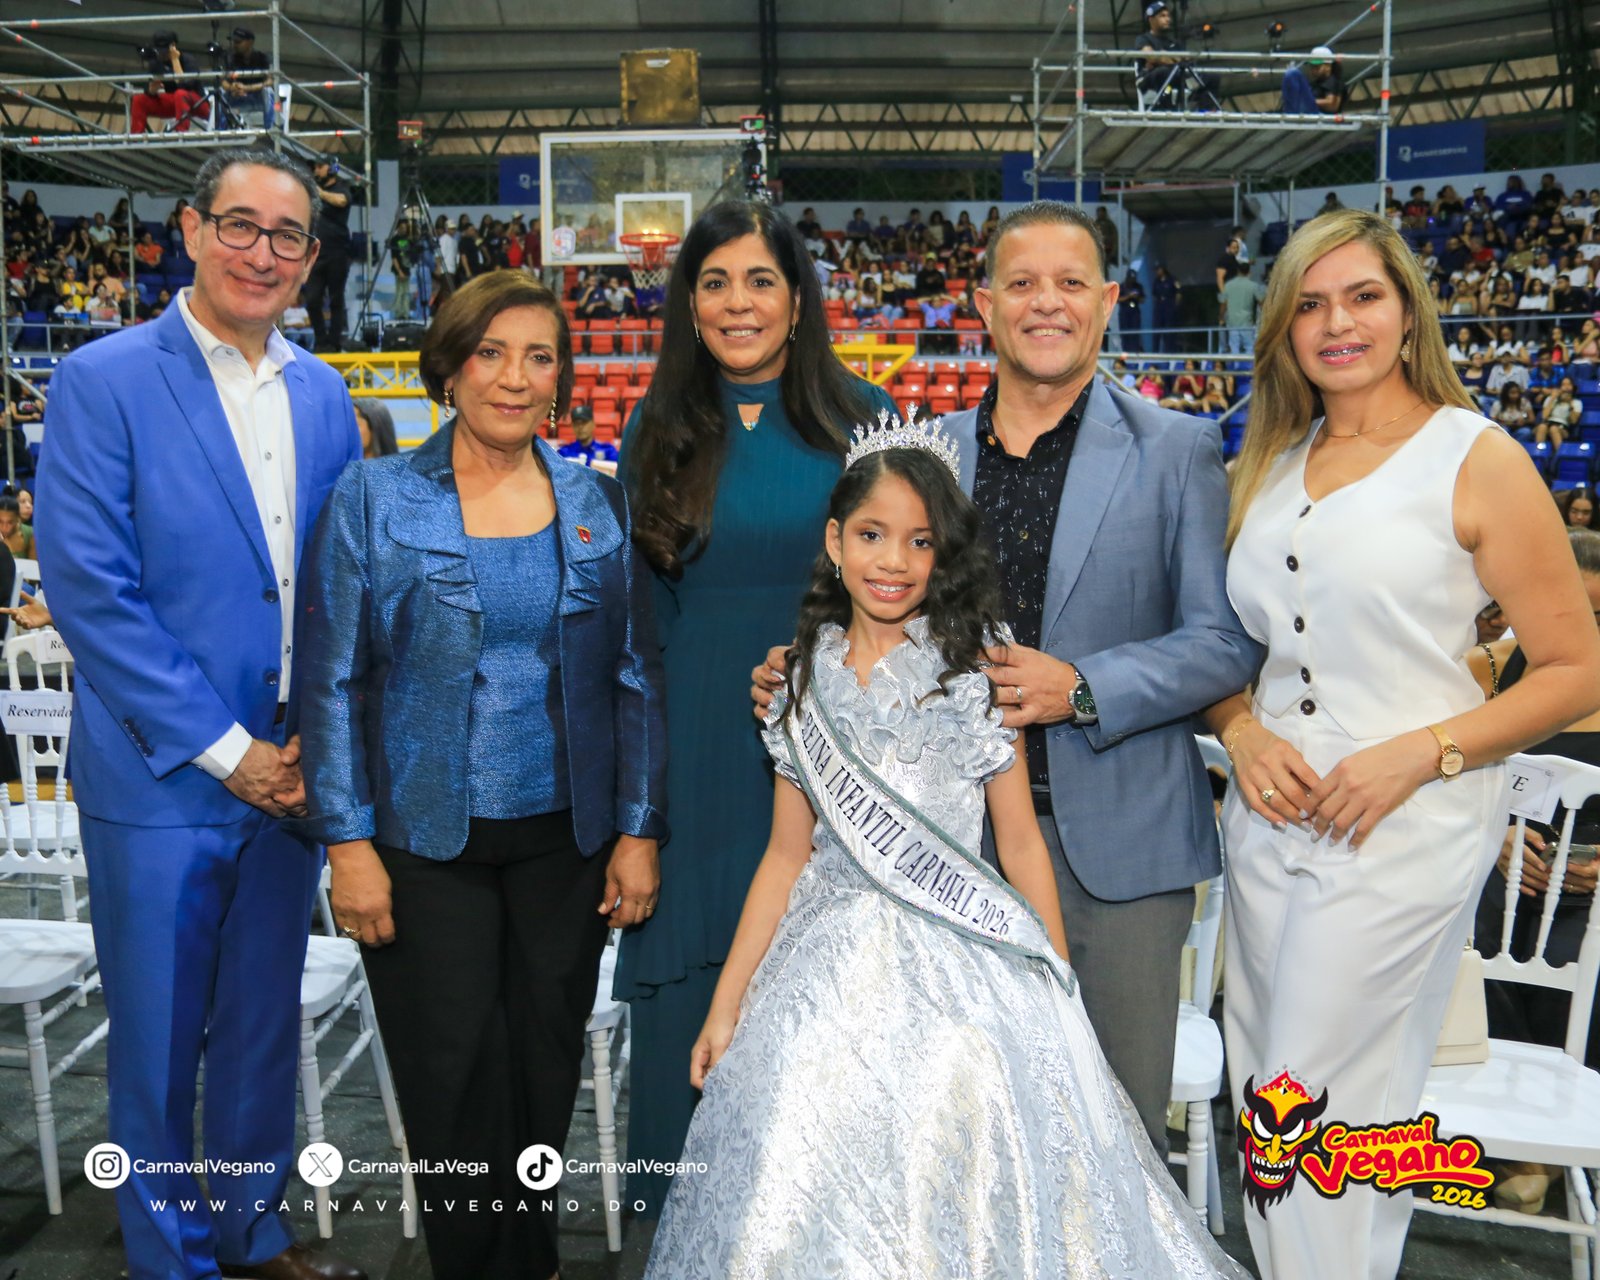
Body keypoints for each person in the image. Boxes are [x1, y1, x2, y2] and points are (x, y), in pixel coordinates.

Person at [646, 431, 1247, 1279]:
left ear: (944, 555)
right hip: (821, 965)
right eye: (872, 534)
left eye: (920, 541)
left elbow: (1020, 841)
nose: (894, 560)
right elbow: (784, 859)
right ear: (834, 541)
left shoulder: (972, 673)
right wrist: (727, 1004)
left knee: (961, 1090)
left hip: (963, 957)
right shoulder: (800, 681)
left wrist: (1057, 979)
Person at [753, 201, 1260, 1155]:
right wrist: (812, 675)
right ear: (984, 305)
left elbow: (1223, 644)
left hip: (1118, 852)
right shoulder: (925, 454)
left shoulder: (1176, 449)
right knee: (952, 1149)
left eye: (1071, 283)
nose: (1046, 303)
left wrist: (1083, 686)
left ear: (1108, 301)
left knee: (1110, 1137)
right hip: (946, 847)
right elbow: (872, 605)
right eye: (1021, 283)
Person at [1205, 207, 1600, 1280]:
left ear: (1407, 311)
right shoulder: (1266, 462)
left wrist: (1420, 752)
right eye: (1311, 305)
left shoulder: (1475, 456)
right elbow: (1225, 649)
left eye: (1363, 297)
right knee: (1272, 1100)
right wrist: (1237, 727)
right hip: (1268, 821)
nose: (1338, 323)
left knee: (1314, 1097)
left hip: (1405, 821)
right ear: (1283, 328)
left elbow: (1575, 668)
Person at [34, 149, 367, 1280]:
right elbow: (92, 593)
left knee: (262, 1026)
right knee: (159, 1043)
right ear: (189, 229)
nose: (261, 253)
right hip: (166, 776)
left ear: (310, 260)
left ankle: (248, 1232)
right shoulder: (104, 379)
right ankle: (170, 1259)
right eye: (240, 225)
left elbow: (333, 580)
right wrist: (232, 755)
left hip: (292, 772)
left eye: (287, 236)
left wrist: (316, 741)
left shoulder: (323, 395)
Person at [300, 270, 665, 1280]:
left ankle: (530, 1261)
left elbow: (634, 674)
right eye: (491, 353)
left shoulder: (596, 500)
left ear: (560, 379)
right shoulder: (371, 496)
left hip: (566, 842)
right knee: (449, 1075)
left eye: (538, 357)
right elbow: (331, 680)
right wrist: (346, 843)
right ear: (449, 369)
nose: (514, 377)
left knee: (545, 1069)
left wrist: (638, 827)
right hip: (419, 846)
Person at [616, 200, 896, 1215]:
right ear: (690, 305)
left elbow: (907, 596)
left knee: (823, 996)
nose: (739, 303)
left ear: (798, 300)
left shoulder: (864, 418)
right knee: (693, 995)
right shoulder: (655, 426)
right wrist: (638, 815)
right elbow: (639, 636)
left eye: (761, 280)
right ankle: (687, 1235)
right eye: (716, 282)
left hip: (833, 751)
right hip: (695, 756)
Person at [1466, 527, 1600, 1214]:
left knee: (1579, 950)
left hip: (1590, 883)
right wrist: (1492, 832)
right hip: (1498, 864)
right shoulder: (1487, 668)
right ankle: (1516, 1143)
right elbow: (1439, 767)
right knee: (1468, 923)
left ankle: (1541, 1140)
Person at [303, 156, 352, 352]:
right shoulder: (315, 192)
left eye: (320, 167)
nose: (316, 171)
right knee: (312, 299)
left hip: (337, 252)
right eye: (315, 167)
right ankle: (321, 340)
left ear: (331, 169)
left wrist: (320, 193)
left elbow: (342, 201)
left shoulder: (341, 188)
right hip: (316, 253)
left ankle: (334, 342)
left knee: (336, 299)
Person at [130, 31, 208, 134]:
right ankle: (136, 136)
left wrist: (175, 60)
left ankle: (180, 134)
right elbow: (147, 86)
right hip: (174, 102)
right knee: (138, 99)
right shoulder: (156, 63)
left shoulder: (187, 59)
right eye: (159, 51)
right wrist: (151, 91)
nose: (162, 54)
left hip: (197, 103)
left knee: (180, 94)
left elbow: (187, 85)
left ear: (173, 46)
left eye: (165, 51)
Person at [221, 26, 274, 126]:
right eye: (234, 42)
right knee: (221, 94)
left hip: (257, 99)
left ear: (250, 42)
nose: (235, 45)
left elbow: (270, 81)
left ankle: (271, 129)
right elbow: (224, 82)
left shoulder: (262, 58)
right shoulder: (230, 58)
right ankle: (220, 130)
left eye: (238, 42)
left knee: (268, 92)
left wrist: (247, 88)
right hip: (237, 99)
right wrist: (232, 88)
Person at [1220, 263, 1265, 354]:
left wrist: (1221, 317)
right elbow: (1262, 302)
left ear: (1238, 271)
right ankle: (1248, 363)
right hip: (1246, 322)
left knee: (1234, 347)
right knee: (1249, 347)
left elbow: (1223, 304)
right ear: (1249, 271)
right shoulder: (1253, 285)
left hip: (1232, 322)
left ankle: (1235, 363)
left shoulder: (1228, 285)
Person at [557, 403, 618, 467]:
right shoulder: (564, 452)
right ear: (572, 427)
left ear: (593, 424)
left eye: (584, 423)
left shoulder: (608, 450)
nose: (580, 427)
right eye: (576, 424)